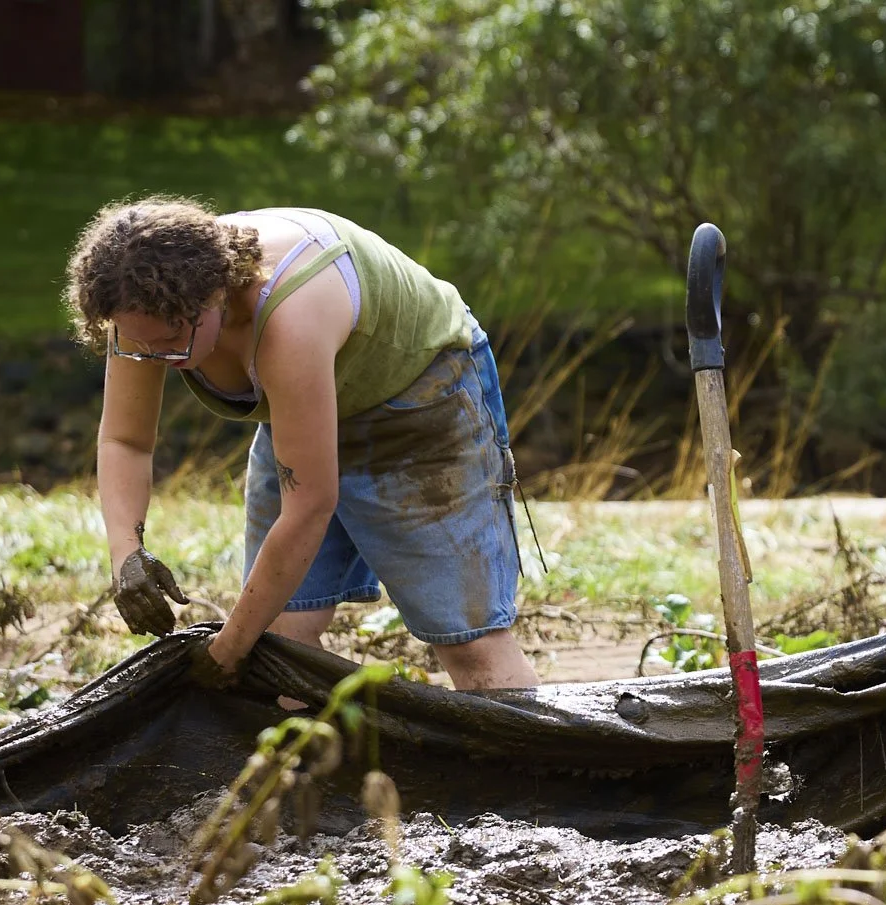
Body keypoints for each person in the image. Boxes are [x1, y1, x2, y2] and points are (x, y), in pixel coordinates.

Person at [67, 199, 540, 690]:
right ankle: (332, 762)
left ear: (214, 297)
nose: (155, 357)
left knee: (471, 645)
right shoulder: (141, 308)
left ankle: (540, 762)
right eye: (136, 345)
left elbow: (310, 505)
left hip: (419, 398)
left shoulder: (288, 314)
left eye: (171, 343)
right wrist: (126, 554)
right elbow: (126, 440)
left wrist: (227, 652)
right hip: (306, 404)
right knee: (280, 643)